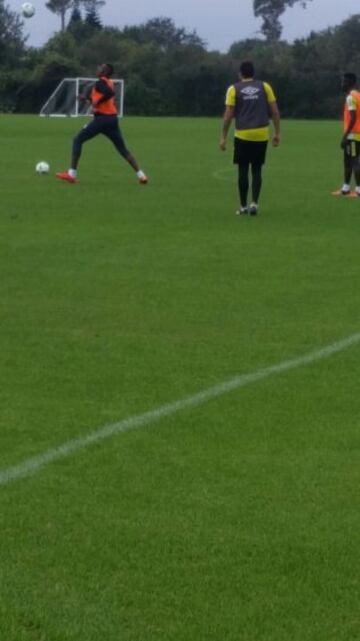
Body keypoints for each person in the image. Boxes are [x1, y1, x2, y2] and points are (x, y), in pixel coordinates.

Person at [56, 63, 148, 185]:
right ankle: (141, 175)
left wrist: (96, 102)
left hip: (102, 120)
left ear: (104, 71)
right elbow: (103, 97)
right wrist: (88, 99)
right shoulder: (108, 82)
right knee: (122, 149)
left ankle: (71, 174)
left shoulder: (101, 82)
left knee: (77, 140)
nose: (97, 68)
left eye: (100, 67)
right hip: (112, 119)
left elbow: (109, 94)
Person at [220, 60, 280, 215]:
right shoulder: (264, 87)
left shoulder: (233, 89)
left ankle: (243, 206)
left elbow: (228, 115)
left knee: (242, 170)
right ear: (253, 73)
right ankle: (254, 203)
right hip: (261, 133)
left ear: (240, 74)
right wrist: (277, 133)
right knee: (257, 169)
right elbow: (274, 111)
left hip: (243, 134)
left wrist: (223, 136)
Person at [332, 72, 360, 197]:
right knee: (347, 161)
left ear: (350, 83)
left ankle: (359, 190)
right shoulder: (358, 95)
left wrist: (345, 136)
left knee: (354, 161)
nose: (342, 84)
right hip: (356, 135)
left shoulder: (351, 97)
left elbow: (353, 117)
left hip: (353, 136)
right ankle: (345, 188)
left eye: (343, 81)